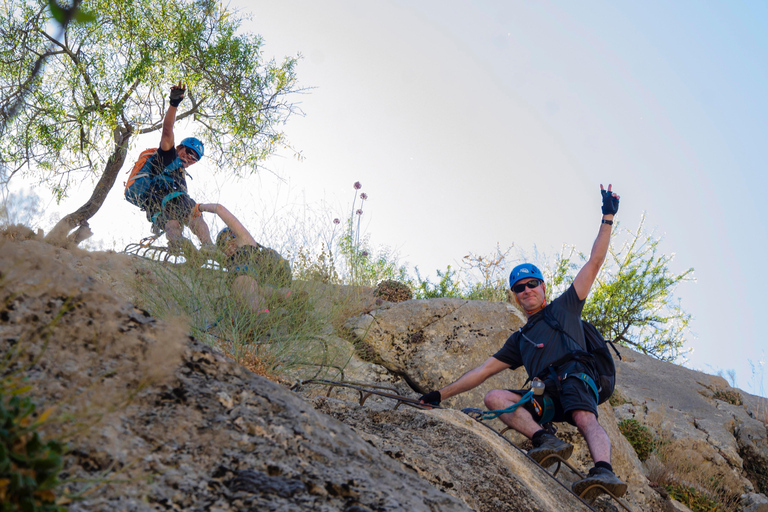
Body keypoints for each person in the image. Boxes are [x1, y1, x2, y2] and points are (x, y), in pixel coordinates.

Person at [419, 184, 627, 499]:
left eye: (532, 284)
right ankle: (546, 440)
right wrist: (438, 394)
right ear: (515, 297)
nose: (526, 290)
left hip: (575, 376)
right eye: (520, 287)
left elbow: (594, 263)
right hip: (544, 392)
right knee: (494, 397)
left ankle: (604, 471)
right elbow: (482, 371)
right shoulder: (521, 338)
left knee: (584, 416)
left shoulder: (565, 308)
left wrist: (607, 216)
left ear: (543, 287)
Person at [143, 82, 213, 253]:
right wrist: (174, 104)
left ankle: (184, 246)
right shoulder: (167, 156)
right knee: (193, 212)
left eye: (195, 157)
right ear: (179, 148)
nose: (190, 157)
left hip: (158, 207)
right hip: (164, 199)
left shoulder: (180, 173)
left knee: (178, 219)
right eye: (189, 151)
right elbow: (167, 131)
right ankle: (207, 246)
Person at [196, 203, 292, 312]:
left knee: (246, 291)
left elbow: (219, 208)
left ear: (237, 235)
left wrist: (199, 207)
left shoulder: (245, 240)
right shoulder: (230, 259)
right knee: (258, 290)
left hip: (263, 275)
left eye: (231, 237)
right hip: (274, 281)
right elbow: (210, 253)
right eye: (223, 244)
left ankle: (261, 315)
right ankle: (290, 296)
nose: (228, 243)